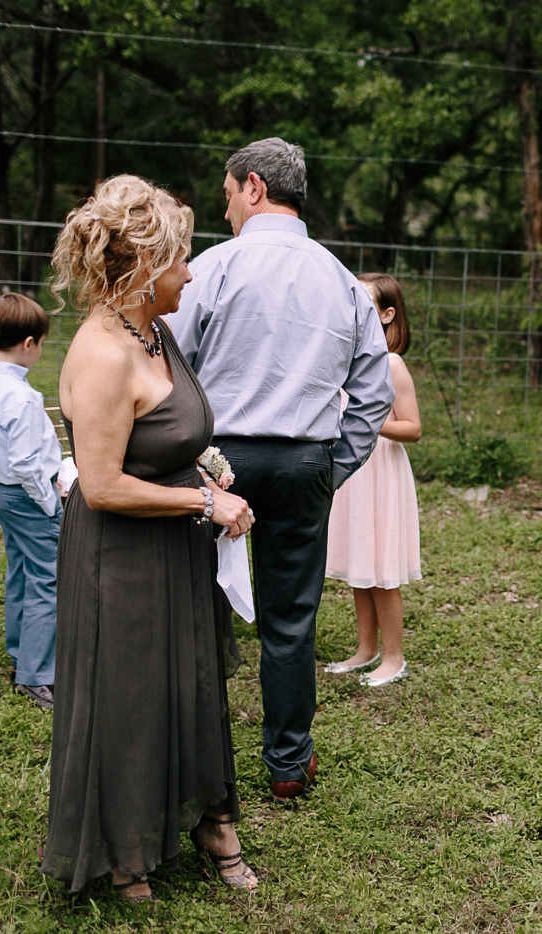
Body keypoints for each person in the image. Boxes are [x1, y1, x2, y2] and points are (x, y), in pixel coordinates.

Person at [40, 175, 258, 900]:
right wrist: (204, 499)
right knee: (131, 698)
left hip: (174, 544)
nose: (190, 273)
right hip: (121, 557)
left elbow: (165, 433)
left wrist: (206, 477)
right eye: (180, 261)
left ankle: (212, 823)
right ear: (140, 267)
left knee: (191, 684)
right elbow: (100, 485)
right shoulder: (101, 357)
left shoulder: (154, 330)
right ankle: (124, 849)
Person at [169, 137, 394, 803]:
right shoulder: (343, 282)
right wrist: (332, 463)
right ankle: (288, 762)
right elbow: (374, 394)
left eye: (228, 193)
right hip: (304, 459)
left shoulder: (212, 268)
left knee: (196, 605)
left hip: (215, 462)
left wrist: (187, 457)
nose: (227, 207)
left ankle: (194, 755)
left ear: (254, 186)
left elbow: (171, 369)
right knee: (290, 617)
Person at [0, 293, 64, 711]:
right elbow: (25, 461)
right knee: (48, 577)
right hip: (28, 495)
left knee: (21, 570)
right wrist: (49, 498)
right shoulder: (22, 397)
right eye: (41, 342)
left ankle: (19, 647)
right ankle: (36, 674)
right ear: (29, 343)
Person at [324, 273, 422, 686]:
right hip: (354, 472)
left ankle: (394, 657)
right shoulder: (347, 359)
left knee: (381, 567)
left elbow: (413, 428)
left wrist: (368, 424)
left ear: (387, 314)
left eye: (366, 302)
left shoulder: (391, 363)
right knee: (360, 564)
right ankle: (365, 650)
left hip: (381, 470)